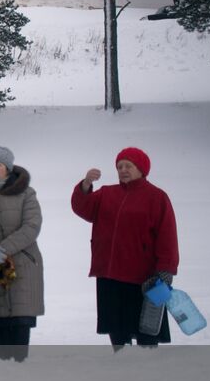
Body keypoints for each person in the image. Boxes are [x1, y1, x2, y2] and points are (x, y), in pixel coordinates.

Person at [71, 147, 179, 347]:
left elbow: (168, 237)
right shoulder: (107, 193)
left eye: (128, 165)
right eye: (119, 166)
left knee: (146, 327)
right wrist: (85, 185)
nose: (123, 170)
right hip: (109, 273)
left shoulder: (157, 197)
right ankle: (121, 361)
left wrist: (166, 270)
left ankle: (147, 365)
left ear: (141, 169)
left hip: (143, 277)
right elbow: (82, 207)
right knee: (116, 328)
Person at [0, 146, 44, 352]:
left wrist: (2, 249)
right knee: (0, 329)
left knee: (20, 326)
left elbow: (32, 226)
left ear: (8, 168)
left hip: (24, 267)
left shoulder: (27, 194)